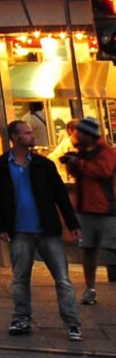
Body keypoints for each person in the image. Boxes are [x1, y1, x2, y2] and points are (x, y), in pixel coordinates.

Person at [0, 115, 84, 341]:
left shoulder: (43, 165)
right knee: (20, 277)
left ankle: (72, 322)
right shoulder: (1, 166)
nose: (32, 136)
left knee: (62, 278)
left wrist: (72, 225)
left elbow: (61, 196)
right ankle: (21, 317)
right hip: (19, 229)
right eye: (27, 133)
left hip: (46, 228)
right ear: (14, 137)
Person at [64, 116, 116, 304]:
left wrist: (78, 163)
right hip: (85, 208)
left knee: (112, 247)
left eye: (79, 132)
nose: (76, 136)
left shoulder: (106, 151)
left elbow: (103, 171)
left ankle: (91, 287)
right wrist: (72, 163)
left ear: (89, 134)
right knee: (88, 249)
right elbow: (79, 175)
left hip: (107, 208)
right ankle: (90, 288)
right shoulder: (82, 152)